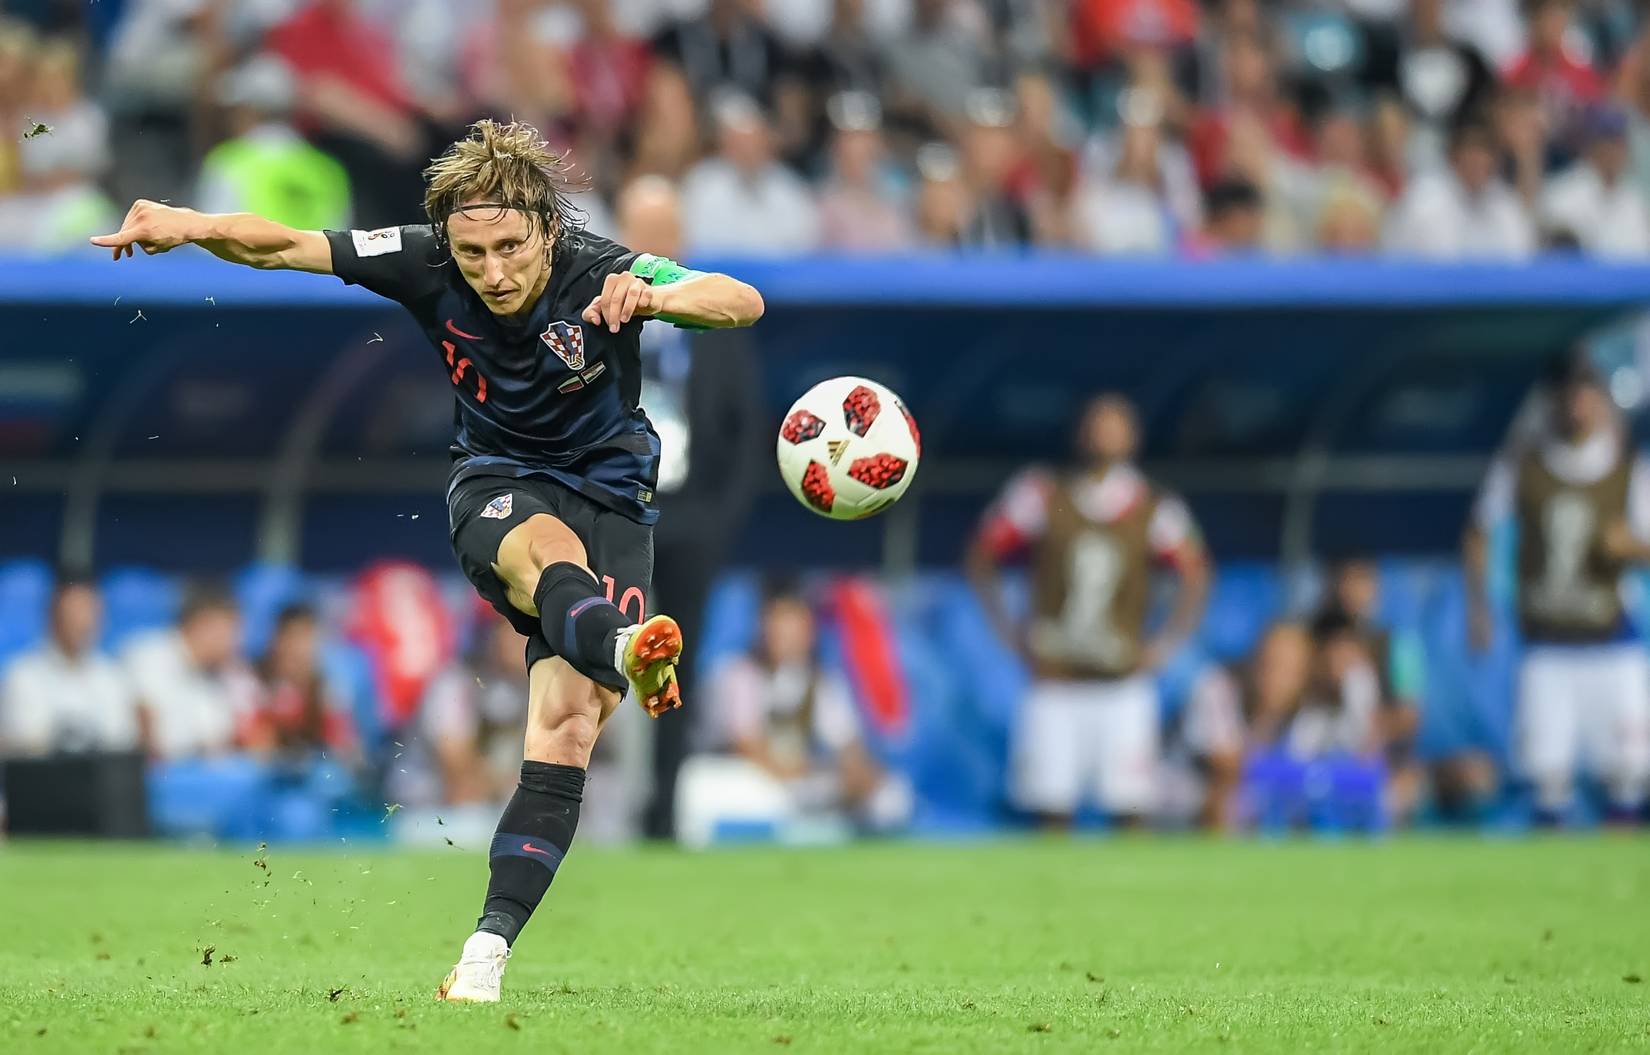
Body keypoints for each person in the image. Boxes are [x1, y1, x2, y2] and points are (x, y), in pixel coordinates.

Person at [90, 117, 764, 1003]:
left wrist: (657, 296)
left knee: (566, 728)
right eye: (473, 251)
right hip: (496, 484)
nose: (491, 272)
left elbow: (739, 299)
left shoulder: (607, 267)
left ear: (547, 229)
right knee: (546, 553)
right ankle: (627, 647)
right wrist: (188, 222)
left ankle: (485, 951)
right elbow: (286, 243)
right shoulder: (425, 259)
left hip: (614, 494)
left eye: (510, 249)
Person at [968, 393, 1210, 828]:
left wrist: (1165, 644)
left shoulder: (1152, 505)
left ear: (1133, 437)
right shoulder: (1044, 495)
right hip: (1056, 678)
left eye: (1115, 425)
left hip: (1121, 680)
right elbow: (982, 553)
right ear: (1080, 433)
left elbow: (1196, 571)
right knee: (1051, 809)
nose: (1105, 435)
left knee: (1130, 809)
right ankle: (1051, 894)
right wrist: (1007, 631)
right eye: (1098, 424)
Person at [1464, 349, 1650, 824]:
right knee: (1547, 774)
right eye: (1568, 395)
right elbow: (1479, 528)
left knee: (1626, 771)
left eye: (1586, 394)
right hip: (1547, 640)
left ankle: (1618, 882)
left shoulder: (1628, 469)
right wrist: (1479, 607)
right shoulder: (1525, 465)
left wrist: (1627, 547)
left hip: (1610, 638)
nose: (1577, 406)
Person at [684, 582, 911, 840]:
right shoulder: (738, 674)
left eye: (791, 627)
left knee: (891, 796)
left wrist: (853, 775)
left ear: (808, 632)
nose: (782, 636)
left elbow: (847, 744)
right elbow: (746, 746)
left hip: (801, 783)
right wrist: (799, 774)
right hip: (748, 777)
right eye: (776, 625)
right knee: (712, 788)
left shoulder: (820, 681)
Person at [0, 573, 137, 757]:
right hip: (42, 779)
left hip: (99, 778)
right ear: (54, 617)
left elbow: (120, 737)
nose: (84, 623)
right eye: (74, 613)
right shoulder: (23, 673)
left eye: (91, 613)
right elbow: (29, 741)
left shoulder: (111, 674)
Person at [123, 586, 256, 760]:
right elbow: (149, 739)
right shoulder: (149, 655)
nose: (236, 643)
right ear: (204, 625)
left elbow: (221, 742)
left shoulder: (218, 675)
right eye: (231, 631)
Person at [241, 604, 356, 762]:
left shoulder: (324, 687)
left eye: (308, 639)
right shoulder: (253, 682)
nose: (300, 649)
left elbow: (345, 747)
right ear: (277, 641)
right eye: (294, 637)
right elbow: (255, 749)